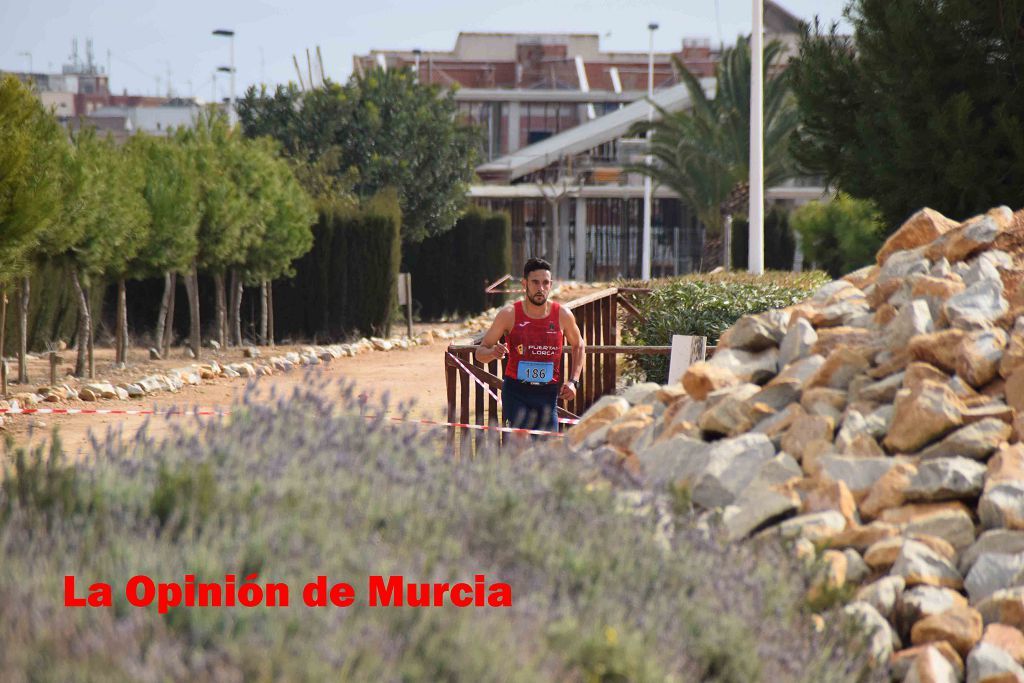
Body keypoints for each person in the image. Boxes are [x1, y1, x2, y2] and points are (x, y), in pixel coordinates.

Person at [475, 258, 585, 432]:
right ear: (524, 284)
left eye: (545, 283)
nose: (540, 288)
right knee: (521, 443)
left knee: (547, 448)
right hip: (516, 392)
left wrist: (574, 381)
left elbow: (579, 345)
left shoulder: (562, 315)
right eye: (535, 282)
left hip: (547, 393)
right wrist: (492, 353)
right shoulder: (508, 315)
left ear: (551, 285)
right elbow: (480, 352)